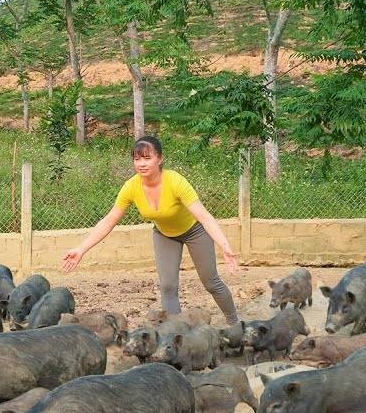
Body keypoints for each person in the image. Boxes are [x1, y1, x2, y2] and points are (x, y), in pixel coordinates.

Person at [61, 135, 240, 325]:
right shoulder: (131, 187)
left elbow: (204, 217)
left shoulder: (176, 181)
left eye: (147, 158)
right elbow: (109, 221)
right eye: (137, 159)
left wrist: (224, 246)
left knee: (211, 283)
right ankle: (175, 332)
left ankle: (235, 324)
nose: (142, 164)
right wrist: (81, 249)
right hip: (165, 235)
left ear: (160, 159)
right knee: (167, 286)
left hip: (195, 231)